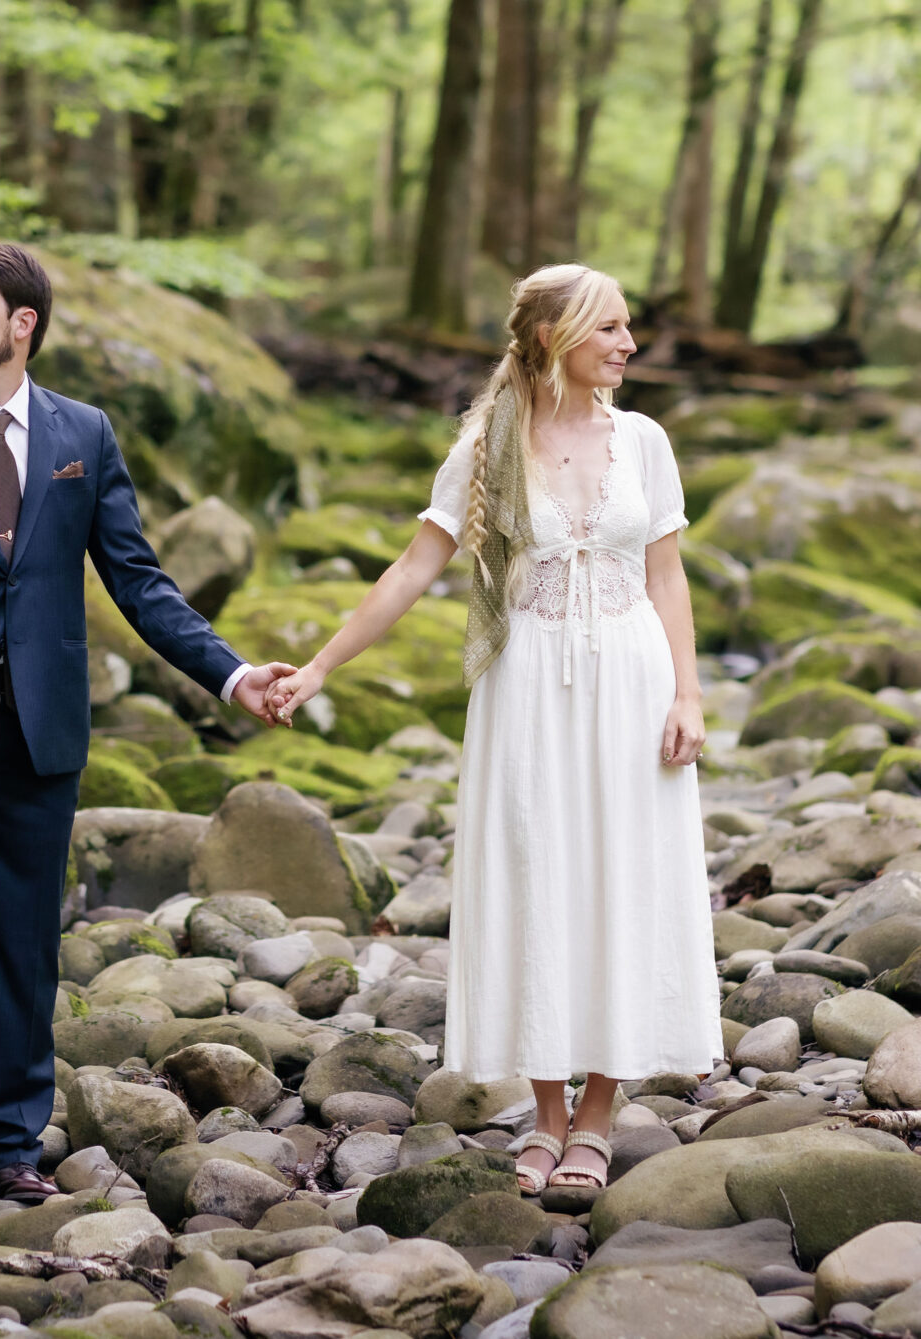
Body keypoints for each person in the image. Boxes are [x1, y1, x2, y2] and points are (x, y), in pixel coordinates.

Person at [0, 240, 297, 1200]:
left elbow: (139, 581)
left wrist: (233, 673)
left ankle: (7, 1147)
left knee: (28, 939)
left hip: (40, 725)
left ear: (21, 324)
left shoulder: (86, 434)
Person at [267, 263, 719, 1197]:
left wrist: (688, 694)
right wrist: (318, 666)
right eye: (611, 330)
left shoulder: (644, 441)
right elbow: (411, 567)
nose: (630, 346)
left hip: (632, 682)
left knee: (621, 876)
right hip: (529, 690)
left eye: (629, 328)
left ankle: (602, 1110)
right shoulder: (488, 446)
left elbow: (667, 575)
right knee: (540, 877)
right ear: (556, 337)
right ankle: (547, 1114)